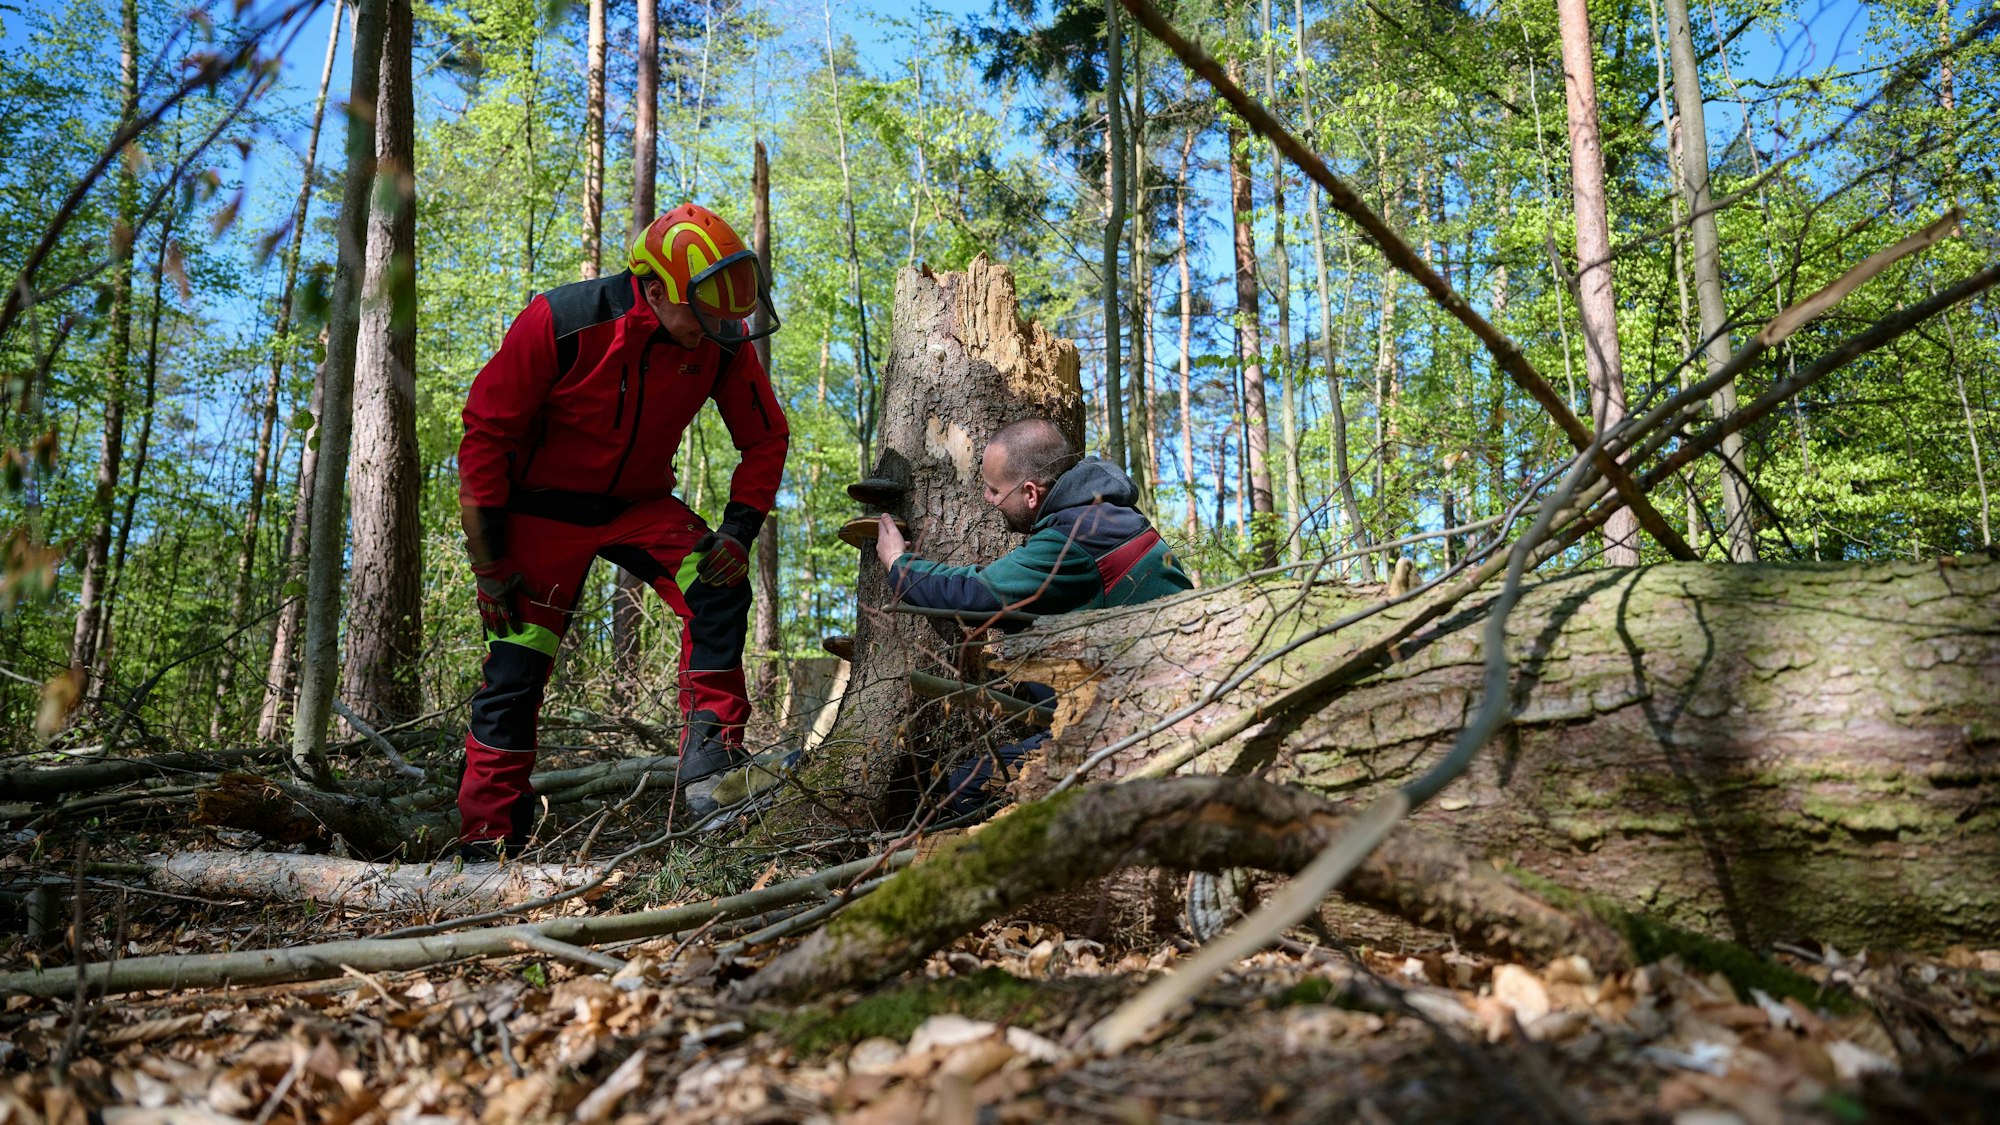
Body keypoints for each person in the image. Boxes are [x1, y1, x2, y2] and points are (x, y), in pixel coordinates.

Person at [456, 203, 787, 857]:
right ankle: (485, 841)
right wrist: (488, 559)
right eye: (703, 311)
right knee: (516, 669)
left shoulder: (716, 343)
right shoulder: (562, 321)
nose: (717, 326)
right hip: (538, 514)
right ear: (657, 288)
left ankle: (710, 765)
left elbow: (766, 435)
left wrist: (738, 529)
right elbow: (486, 433)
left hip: (640, 505)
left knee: (717, 584)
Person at [872, 417, 1191, 816]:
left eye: (993, 490)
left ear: (1029, 492)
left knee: (967, 788)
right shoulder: (1104, 516)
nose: (988, 500)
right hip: (1147, 714)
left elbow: (974, 594)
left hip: (1131, 733)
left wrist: (899, 564)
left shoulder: (1076, 539)